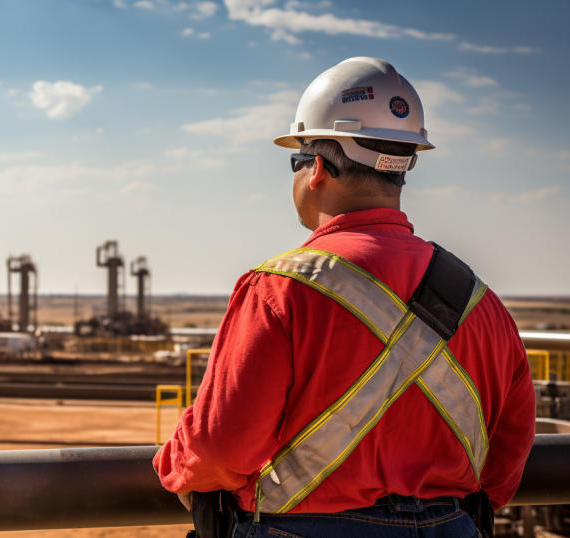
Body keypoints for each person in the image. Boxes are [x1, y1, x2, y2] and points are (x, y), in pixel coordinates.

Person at [153, 56, 536, 537]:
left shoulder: (280, 287)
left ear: (315, 169)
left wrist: (179, 466)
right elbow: (507, 455)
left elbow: (222, 447)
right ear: (404, 166)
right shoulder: (481, 302)